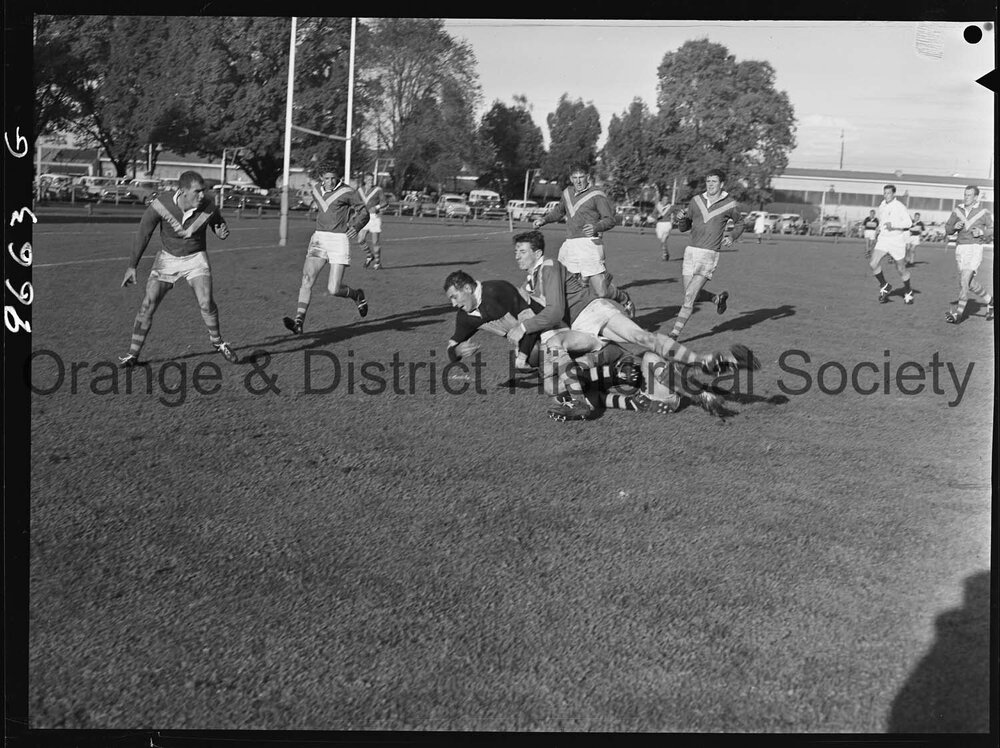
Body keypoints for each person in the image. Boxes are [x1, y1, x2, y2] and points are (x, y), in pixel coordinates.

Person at [505, 230, 758, 421]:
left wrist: (524, 328)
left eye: (522, 251)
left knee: (641, 338)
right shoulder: (532, 280)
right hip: (582, 325)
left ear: (537, 253)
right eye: (516, 251)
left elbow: (555, 311)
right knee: (639, 345)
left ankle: (701, 363)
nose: (517, 255)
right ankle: (702, 369)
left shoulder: (548, 265)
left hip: (591, 312)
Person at [118, 170, 238, 366]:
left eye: (203, 191)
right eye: (197, 191)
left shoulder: (208, 206)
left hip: (195, 258)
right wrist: (132, 266)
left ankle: (218, 342)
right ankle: (132, 355)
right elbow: (143, 234)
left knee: (206, 302)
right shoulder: (160, 205)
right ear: (182, 191)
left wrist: (222, 231)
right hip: (167, 259)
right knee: (147, 305)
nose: (202, 195)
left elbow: (218, 225)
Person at [532, 164, 635, 317]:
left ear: (588, 177)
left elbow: (610, 220)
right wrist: (544, 219)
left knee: (601, 291)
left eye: (581, 177)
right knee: (567, 287)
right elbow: (559, 211)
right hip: (570, 245)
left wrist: (596, 227)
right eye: (575, 178)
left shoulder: (596, 194)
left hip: (590, 244)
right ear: (570, 178)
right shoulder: (566, 193)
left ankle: (624, 298)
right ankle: (576, 319)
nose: (578, 181)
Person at [282, 170, 370, 335]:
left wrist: (356, 226)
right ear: (321, 178)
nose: (330, 181)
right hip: (319, 239)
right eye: (326, 178)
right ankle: (299, 322)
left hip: (339, 241)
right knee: (307, 279)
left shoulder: (348, 192)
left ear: (339, 178)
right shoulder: (316, 189)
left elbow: (364, 212)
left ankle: (357, 295)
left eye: (333, 178)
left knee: (334, 289)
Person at [669, 169, 745, 339]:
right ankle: (717, 299)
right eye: (708, 181)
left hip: (709, 254)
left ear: (722, 184)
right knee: (690, 293)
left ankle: (674, 334)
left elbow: (740, 223)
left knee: (689, 296)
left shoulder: (730, 204)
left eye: (714, 181)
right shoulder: (696, 201)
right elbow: (683, 227)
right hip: (690, 252)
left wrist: (732, 236)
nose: (710, 184)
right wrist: (681, 218)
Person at [443, 270, 540, 369]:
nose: (453, 304)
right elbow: (451, 348)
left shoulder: (498, 290)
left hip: (550, 324)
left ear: (467, 288)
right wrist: (457, 351)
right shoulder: (465, 316)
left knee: (536, 351)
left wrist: (521, 357)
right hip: (533, 337)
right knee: (533, 353)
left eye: (454, 297)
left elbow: (532, 322)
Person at [943, 185, 994, 323]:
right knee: (969, 283)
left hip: (974, 248)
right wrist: (954, 227)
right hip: (960, 249)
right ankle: (991, 301)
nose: (966, 197)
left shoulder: (983, 212)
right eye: (965, 194)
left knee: (964, 281)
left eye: (969, 195)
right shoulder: (957, 211)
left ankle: (958, 315)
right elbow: (947, 229)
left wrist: (981, 232)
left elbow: (992, 229)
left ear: (976, 197)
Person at [870, 184, 914, 304]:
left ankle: (908, 291)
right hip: (884, 239)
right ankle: (884, 285)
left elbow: (909, 223)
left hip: (896, 240)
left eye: (888, 193)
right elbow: (882, 220)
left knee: (901, 269)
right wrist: (879, 228)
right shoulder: (882, 205)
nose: (886, 195)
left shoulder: (899, 206)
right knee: (873, 263)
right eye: (884, 193)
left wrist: (894, 226)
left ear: (893, 194)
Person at [357, 172, 388, 270]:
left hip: (374, 217)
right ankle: (369, 255)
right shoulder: (360, 190)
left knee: (375, 242)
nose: (371, 181)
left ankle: (378, 263)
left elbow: (385, 202)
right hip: (364, 217)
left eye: (372, 179)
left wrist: (377, 207)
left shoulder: (378, 190)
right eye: (369, 179)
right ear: (365, 180)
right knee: (360, 239)